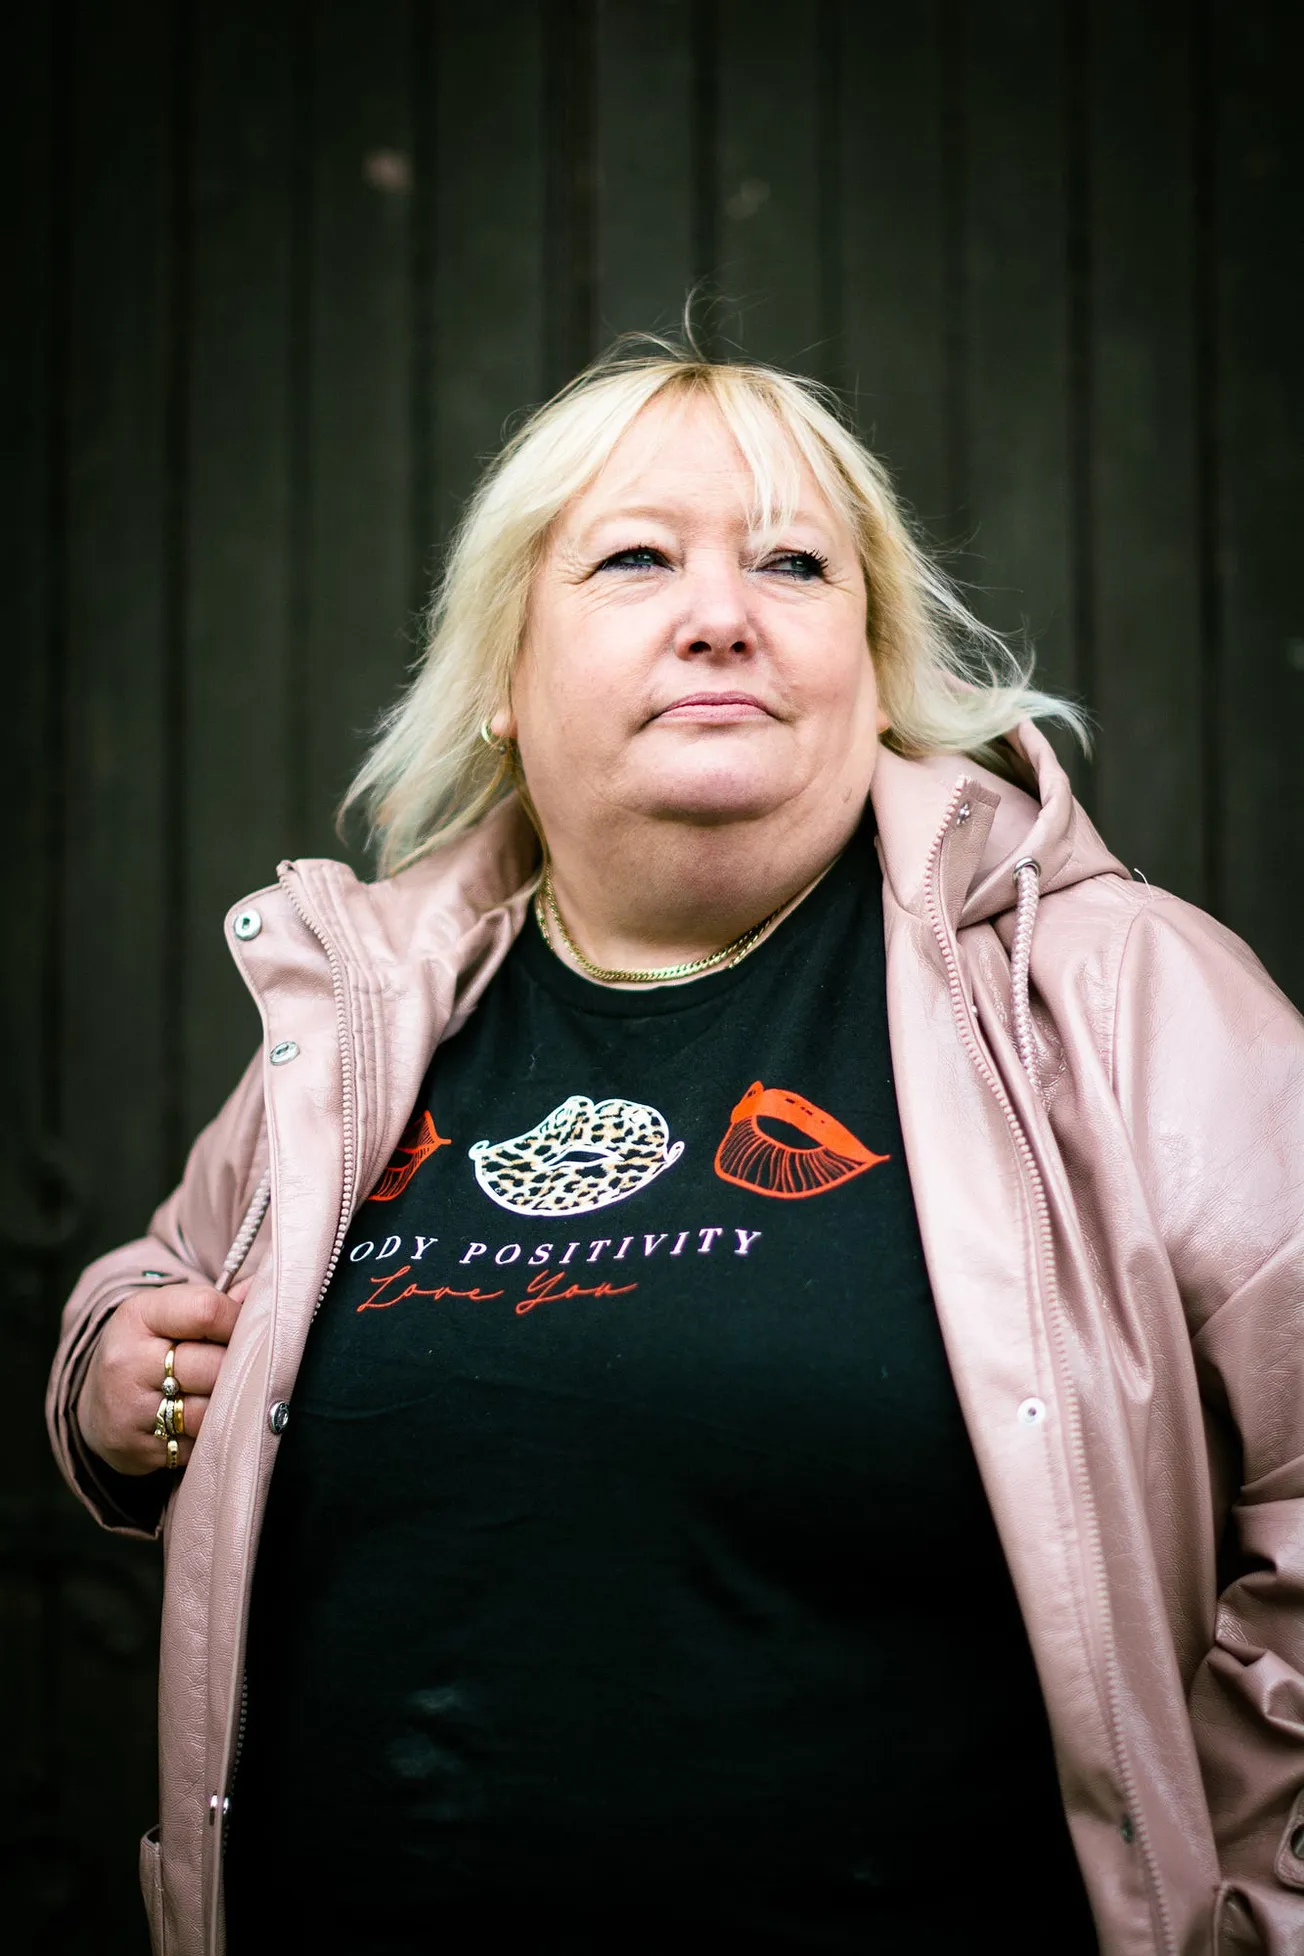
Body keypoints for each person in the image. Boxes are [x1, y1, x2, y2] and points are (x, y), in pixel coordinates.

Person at [47, 341, 1304, 1956]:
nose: (723, 614)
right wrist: (116, 1377)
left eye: (794, 565)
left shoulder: (1113, 992)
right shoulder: (369, 1008)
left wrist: (1253, 1920)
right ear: (505, 676)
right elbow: (166, 1287)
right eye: (637, 558)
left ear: (873, 665)